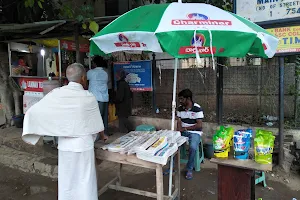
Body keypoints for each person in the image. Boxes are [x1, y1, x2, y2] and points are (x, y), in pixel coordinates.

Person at [22, 63, 107, 200]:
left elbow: (33, 111)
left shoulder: (57, 94)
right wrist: (103, 136)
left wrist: (35, 129)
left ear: (67, 78)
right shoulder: (88, 97)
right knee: (85, 180)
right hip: (83, 146)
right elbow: (97, 124)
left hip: (65, 146)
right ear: (84, 78)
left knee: (67, 180)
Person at [177, 89, 204, 180]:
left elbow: (199, 125)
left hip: (195, 132)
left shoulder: (197, 108)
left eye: (182, 99)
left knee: (193, 147)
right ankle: (172, 167)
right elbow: (179, 121)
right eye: (179, 99)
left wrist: (185, 128)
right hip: (183, 131)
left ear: (188, 98)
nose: (180, 101)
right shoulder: (180, 108)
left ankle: (189, 169)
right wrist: (179, 130)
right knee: (173, 144)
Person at [87, 56, 110, 136]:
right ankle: (105, 133)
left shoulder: (91, 72)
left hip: (95, 98)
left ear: (94, 63)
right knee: (104, 118)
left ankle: (96, 135)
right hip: (104, 97)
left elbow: (84, 79)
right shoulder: (105, 73)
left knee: (96, 118)